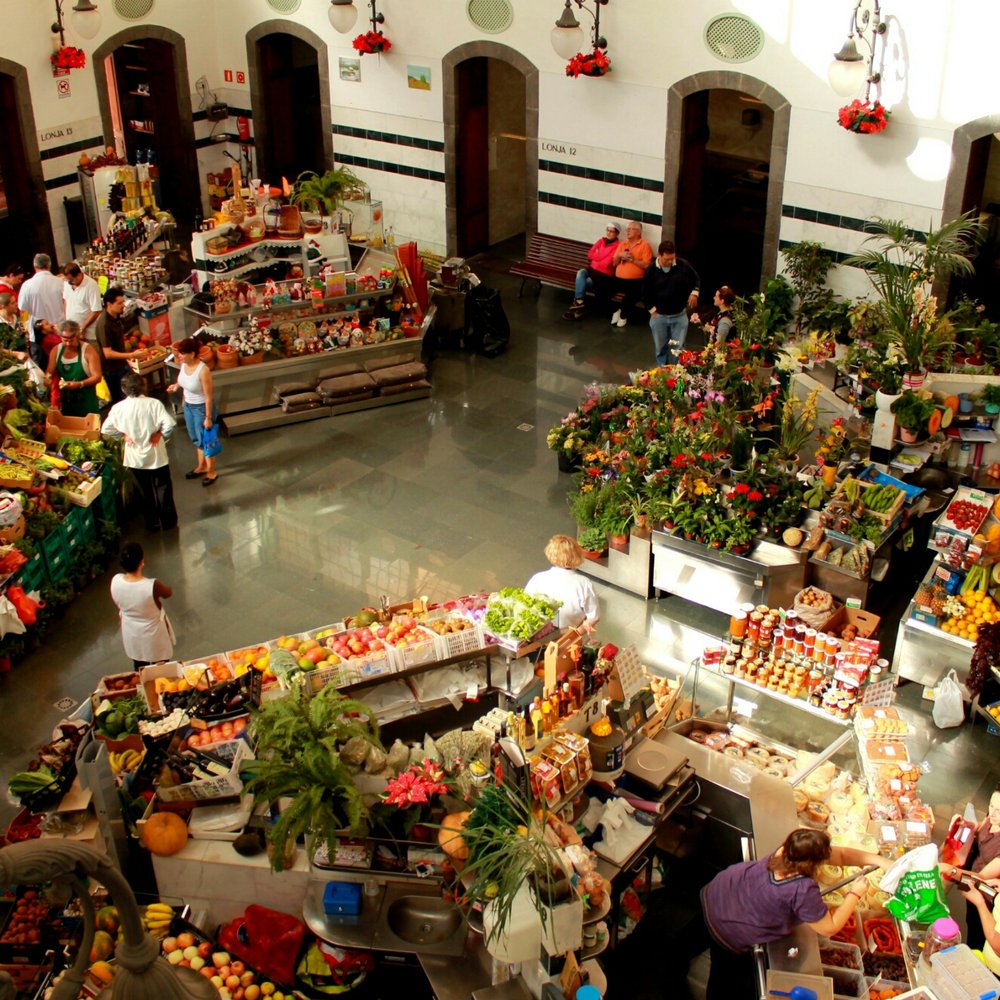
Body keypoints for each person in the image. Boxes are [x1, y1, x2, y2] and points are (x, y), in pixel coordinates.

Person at [697, 828, 889, 999]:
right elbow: (829, 927)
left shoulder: (787, 851)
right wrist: (855, 894)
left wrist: (878, 860)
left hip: (716, 894)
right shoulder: (801, 889)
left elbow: (841, 854)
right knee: (722, 981)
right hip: (728, 930)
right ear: (814, 864)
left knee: (690, 939)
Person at [102, 372, 178, 531]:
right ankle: (168, 521)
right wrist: (160, 434)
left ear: (124, 389)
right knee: (162, 487)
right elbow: (169, 425)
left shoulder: (118, 408)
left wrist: (123, 435)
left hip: (134, 457)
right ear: (143, 387)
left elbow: (106, 429)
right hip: (156, 454)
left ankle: (152, 522)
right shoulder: (154, 404)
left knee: (143, 491)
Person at [110, 542, 175, 668]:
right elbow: (168, 592)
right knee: (161, 665)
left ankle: (143, 685)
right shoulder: (152, 586)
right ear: (142, 562)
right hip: (153, 633)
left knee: (139, 663)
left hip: (131, 631)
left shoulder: (116, 580)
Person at [166, 337, 219, 487]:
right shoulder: (184, 365)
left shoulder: (203, 371)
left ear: (193, 353)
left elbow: (208, 397)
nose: (180, 356)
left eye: (183, 353)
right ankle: (201, 466)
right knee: (196, 438)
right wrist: (176, 386)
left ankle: (211, 471)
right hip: (188, 406)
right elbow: (182, 380)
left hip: (201, 408)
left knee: (206, 440)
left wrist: (208, 417)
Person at [525, 534, 600, 630]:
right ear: (578, 555)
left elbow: (525, 606)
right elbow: (594, 618)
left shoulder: (537, 578)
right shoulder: (584, 584)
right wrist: (575, 633)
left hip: (539, 635)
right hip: (570, 636)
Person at [643, 240, 700, 366]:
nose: (670, 262)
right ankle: (663, 372)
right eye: (667, 259)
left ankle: (676, 374)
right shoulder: (651, 271)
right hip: (659, 317)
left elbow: (695, 278)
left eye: (672, 258)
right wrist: (652, 310)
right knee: (660, 349)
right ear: (660, 255)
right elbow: (645, 292)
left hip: (679, 316)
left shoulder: (682, 265)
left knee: (678, 350)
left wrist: (694, 292)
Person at [960, 786, 1000, 952]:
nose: (993, 813)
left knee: (980, 936)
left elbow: (982, 876)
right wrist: (964, 825)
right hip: (972, 887)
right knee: (971, 921)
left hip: (986, 897)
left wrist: (951, 871)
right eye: (991, 806)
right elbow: (977, 831)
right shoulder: (992, 818)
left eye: (999, 810)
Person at [95, 286, 147, 404]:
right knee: (121, 401)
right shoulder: (104, 324)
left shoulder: (116, 316)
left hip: (122, 365)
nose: (123, 305)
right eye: (119, 303)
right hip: (112, 370)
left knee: (134, 393)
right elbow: (107, 353)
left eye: (123, 302)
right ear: (109, 304)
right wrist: (132, 354)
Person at [563, 221, 621, 320]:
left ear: (617, 233)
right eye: (608, 230)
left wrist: (597, 256)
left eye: (612, 231)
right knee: (581, 272)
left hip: (603, 275)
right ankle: (579, 302)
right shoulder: (601, 241)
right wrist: (600, 257)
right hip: (591, 269)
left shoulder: (618, 246)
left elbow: (606, 264)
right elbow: (590, 254)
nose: (609, 233)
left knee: (586, 282)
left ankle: (578, 306)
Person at [45, 320, 103, 416]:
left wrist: (80, 384)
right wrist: (48, 378)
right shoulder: (56, 351)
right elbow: (49, 371)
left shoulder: (88, 351)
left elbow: (97, 377)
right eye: (65, 340)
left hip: (87, 403)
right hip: (66, 403)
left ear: (78, 336)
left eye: (71, 341)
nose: (68, 344)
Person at [18, 253, 64, 369]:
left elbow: (22, 307)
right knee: (62, 366)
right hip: (59, 330)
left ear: (34, 266)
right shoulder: (60, 282)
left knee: (43, 368)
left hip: (38, 333)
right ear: (49, 265)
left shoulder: (27, 285)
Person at [609, 220, 654, 328]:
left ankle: (623, 315)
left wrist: (632, 260)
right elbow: (614, 264)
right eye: (628, 229)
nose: (628, 231)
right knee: (603, 289)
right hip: (619, 278)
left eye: (631, 229)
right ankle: (616, 310)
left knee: (632, 294)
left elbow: (647, 266)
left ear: (639, 232)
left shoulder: (645, 245)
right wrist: (619, 255)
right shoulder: (622, 244)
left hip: (636, 280)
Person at [62, 262, 102, 339]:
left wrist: (82, 327)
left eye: (71, 280)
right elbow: (66, 301)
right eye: (68, 280)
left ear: (79, 275)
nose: (69, 283)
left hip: (89, 335)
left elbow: (96, 311)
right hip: (73, 332)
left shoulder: (91, 285)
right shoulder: (67, 283)